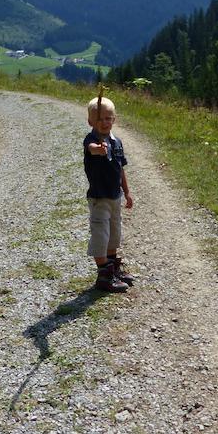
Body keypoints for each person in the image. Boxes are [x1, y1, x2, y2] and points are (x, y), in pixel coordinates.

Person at [83, 94, 135, 292]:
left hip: (115, 196)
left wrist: (127, 192)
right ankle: (103, 275)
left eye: (108, 118)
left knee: (114, 234)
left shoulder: (117, 142)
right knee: (101, 234)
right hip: (99, 197)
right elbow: (92, 149)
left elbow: (121, 169)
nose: (105, 122)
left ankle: (112, 268)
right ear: (91, 121)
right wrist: (99, 149)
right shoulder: (92, 140)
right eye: (100, 119)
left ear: (114, 119)